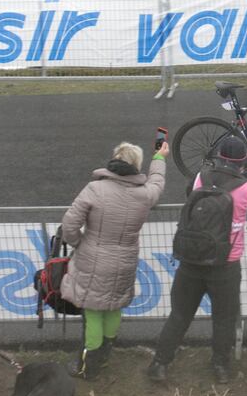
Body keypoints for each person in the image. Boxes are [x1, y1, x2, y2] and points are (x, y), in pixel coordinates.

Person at [147, 136, 247, 384]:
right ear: (242, 162)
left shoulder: (199, 178)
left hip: (191, 260)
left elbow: (190, 194)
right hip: (225, 265)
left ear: (218, 157)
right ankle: (220, 367)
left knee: (179, 315)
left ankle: (159, 364)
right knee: (224, 319)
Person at [60, 139, 167, 380]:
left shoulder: (95, 189)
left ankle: (87, 366)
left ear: (114, 160)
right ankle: (105, 357)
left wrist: (79, 243)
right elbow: (157, 182)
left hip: (92, 260)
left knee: (93, 312)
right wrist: (159, 157)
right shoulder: (145, 194)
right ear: (136, 165)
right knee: (113, 307)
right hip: (125, 261)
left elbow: (69, 225)